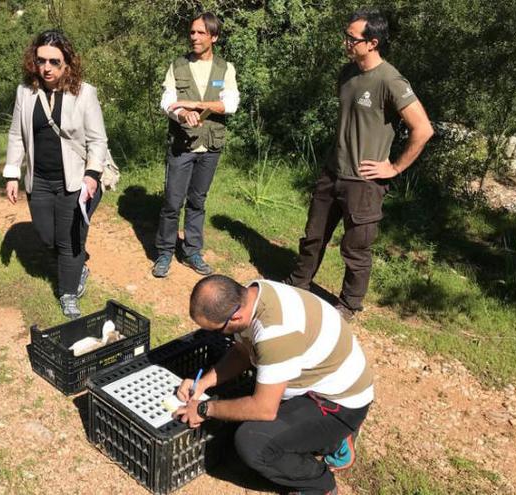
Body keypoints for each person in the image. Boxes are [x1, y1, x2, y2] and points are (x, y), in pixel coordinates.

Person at [283, 8, 434, 320]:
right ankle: (298, 285)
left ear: (372, 43)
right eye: (346, 35)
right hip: (332, 171)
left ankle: (349, 305)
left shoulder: (390, 80)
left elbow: (423, 129)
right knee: (313, 236)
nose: (346, 43)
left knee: (355, 249)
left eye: (351, 38)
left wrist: (394, 168)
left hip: (363, 182)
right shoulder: (347, 74)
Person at [176, 274, 373, 495]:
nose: (214, 335)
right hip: (317, 383)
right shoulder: (252, 294)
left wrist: (204, 409)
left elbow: (264, 409)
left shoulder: (275, 333)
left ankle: (318, 484)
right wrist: (203, 383)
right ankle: (329, 440)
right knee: (242, 410)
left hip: (339, 404)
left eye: (216, 330)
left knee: (252, 442)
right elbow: (242, 353)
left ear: (236, 317)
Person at [3, 30, 108, 319]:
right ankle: (79, 267)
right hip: (40, 180)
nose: (46, 68)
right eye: (41, 61)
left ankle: (68, 292)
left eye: (53, 61)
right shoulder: (25, 93)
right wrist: (12, 174)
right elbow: (16, 135)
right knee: (47, 236)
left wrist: (92, 175)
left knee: (69, 241)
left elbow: (98, 141)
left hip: (76, 181)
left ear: (67, 64)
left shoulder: (85, 93)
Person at [151, 12, 240, 278]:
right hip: (182, 146)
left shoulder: (225, 69)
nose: (195, 37)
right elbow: (167, 102)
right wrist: (180, 114)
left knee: (197, 202)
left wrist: (196, 104)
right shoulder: (177, 66)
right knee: (172, 202)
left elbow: (231, 105)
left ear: (214, 37)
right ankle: (165, 252)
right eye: (192, 32)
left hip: (210, 147)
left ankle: (191, 251)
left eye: (201, 33)